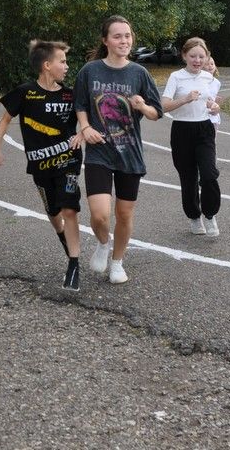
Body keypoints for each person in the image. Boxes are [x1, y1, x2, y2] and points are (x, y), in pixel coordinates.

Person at [0, 40, 84, 291]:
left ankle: (74, 264)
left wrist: (82, 134)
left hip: (69, 160)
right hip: (40, 165)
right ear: (47, 65)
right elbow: (5, 120)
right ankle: (63, 237)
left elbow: (87, 120)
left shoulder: (70, 94)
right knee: (54, 212)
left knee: (69, 207)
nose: (66, 66)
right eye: (62, 61)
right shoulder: (25, 92)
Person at [74, 15, 163, 285]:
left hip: (129, 153)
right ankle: (103, 243)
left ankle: (117, 262)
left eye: (127, 35)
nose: (124, 41)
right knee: (100, 214)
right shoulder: (89, 71)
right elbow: (80, 104)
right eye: (117, 36)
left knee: (124, 214)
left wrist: (142, 107)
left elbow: (156, 112)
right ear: (105, 40)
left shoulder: (139, 73)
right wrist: (85, 127)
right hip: (99, 151)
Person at [161, 38, 222, 237]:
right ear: (184, 56)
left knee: (209, 174)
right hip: (182, 131)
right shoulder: (176, 77)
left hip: (204, 129)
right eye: (193, 56)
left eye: (201, 56)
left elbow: (212, 103)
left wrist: (214, 107)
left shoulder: (208, 78)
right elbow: (164, 106)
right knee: (188, 178)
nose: (197, 60)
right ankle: (195, 217)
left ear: (207, 58)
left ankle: (210, 215)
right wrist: (185, 99)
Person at [204, 55, 222, 131]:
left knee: (212, 141)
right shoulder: (199, 81)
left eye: (212, 64)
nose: (210, 66)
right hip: (202, 117)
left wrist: (216, 102)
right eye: (207, 64)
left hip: (213, 117)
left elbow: (213, 96)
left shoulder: (217, 83)